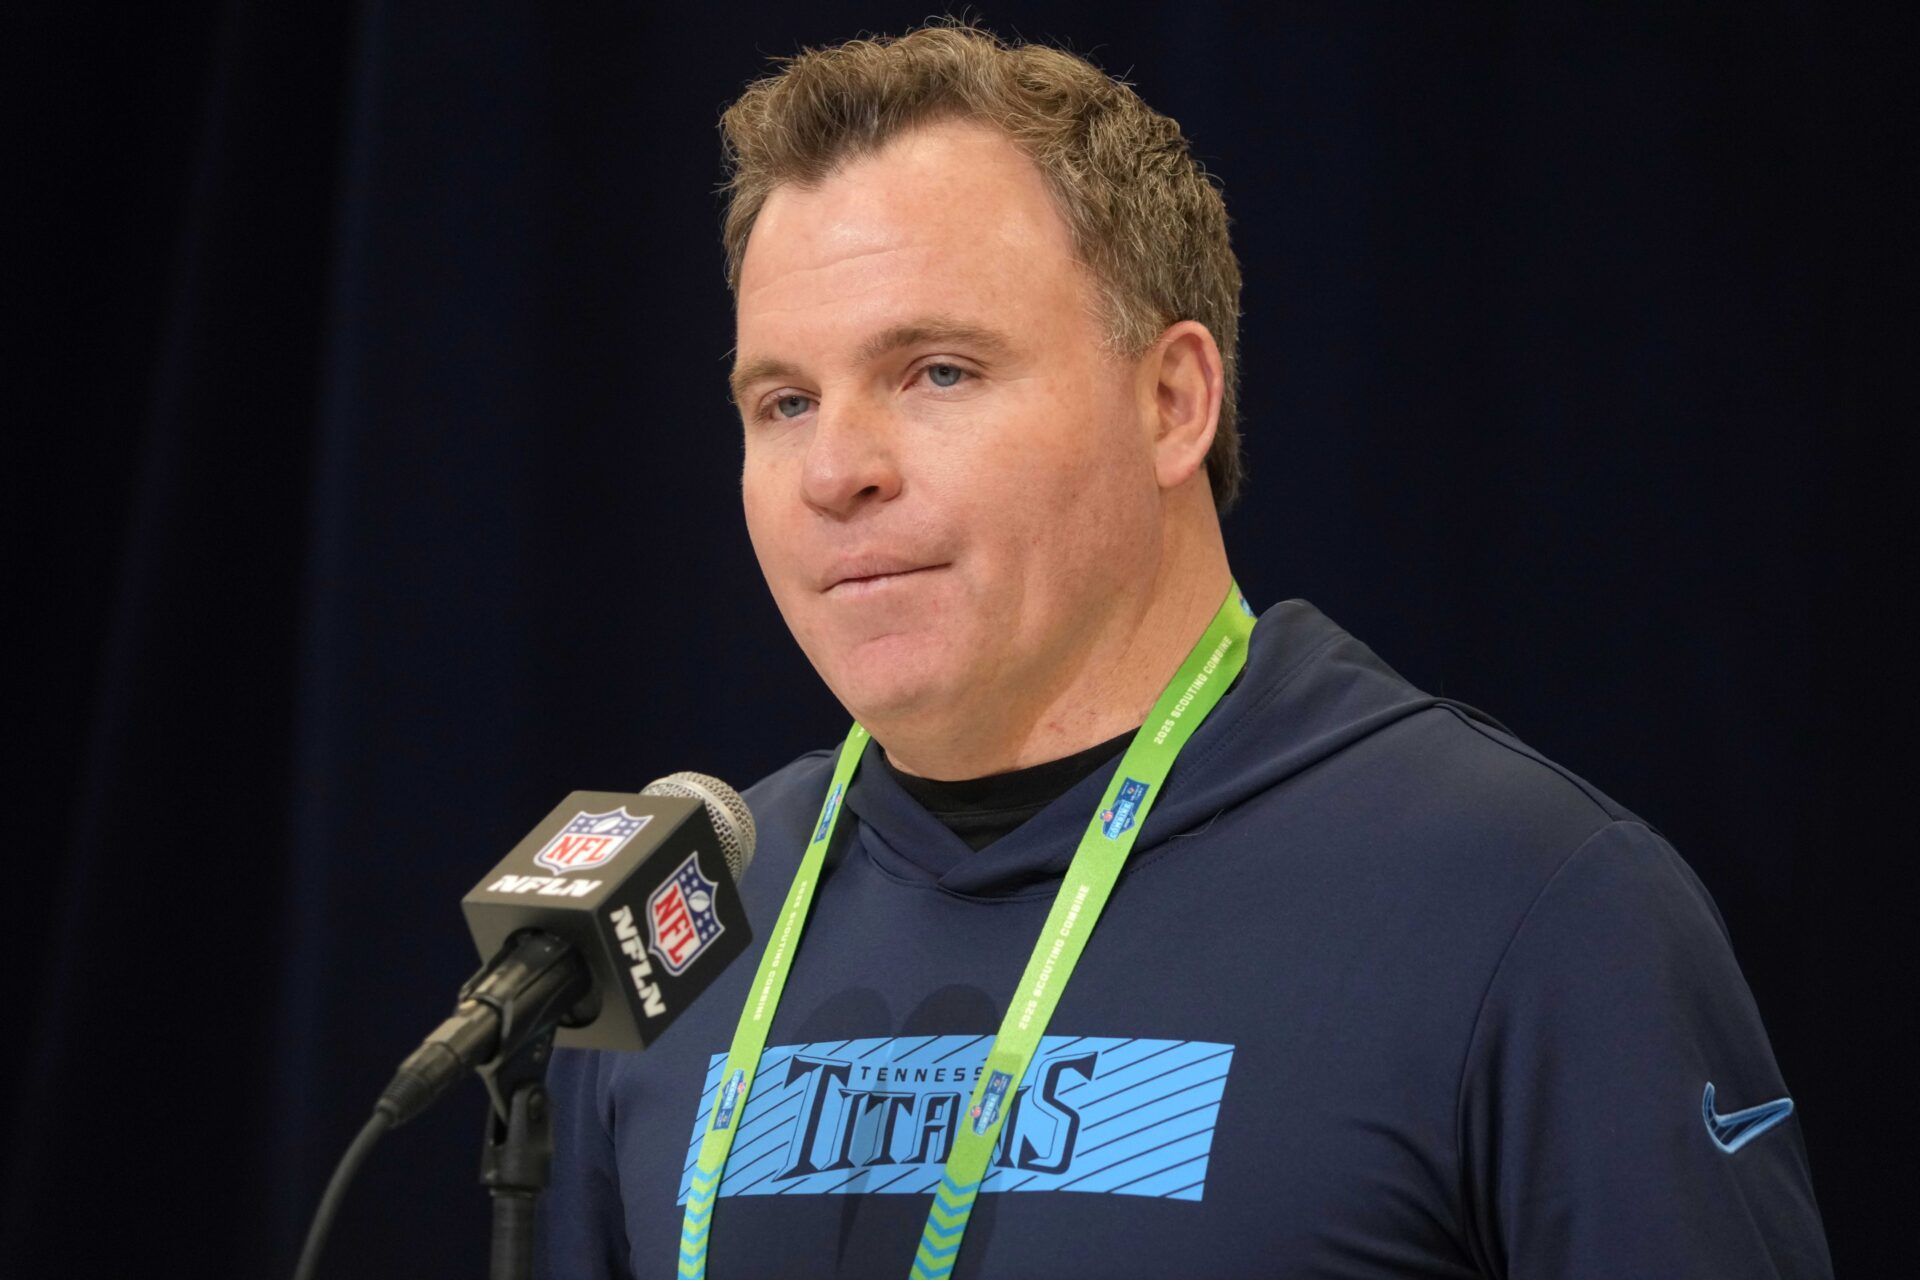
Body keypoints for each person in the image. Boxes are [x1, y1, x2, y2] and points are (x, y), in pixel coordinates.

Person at [543, 22, 1830, 1279]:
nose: (837, 471)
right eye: (786, 401)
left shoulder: (1535, 901)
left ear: (1172, 403)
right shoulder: (679, 929)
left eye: (937, 371)